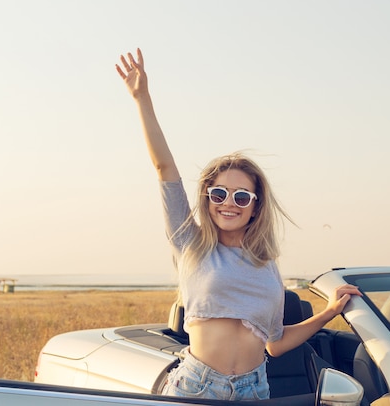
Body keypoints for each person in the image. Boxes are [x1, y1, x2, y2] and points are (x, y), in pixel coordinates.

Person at [115, 48, 361, 401]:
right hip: (195, 388)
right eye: (220, 194)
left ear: (255, 207)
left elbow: (275, 345)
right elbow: (165, 170)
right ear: (207, 199)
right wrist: (142, 98)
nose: (229, 203)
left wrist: (328, 313)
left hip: (254, 389)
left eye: (241, 197)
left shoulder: (267, 266)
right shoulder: (191, 244)